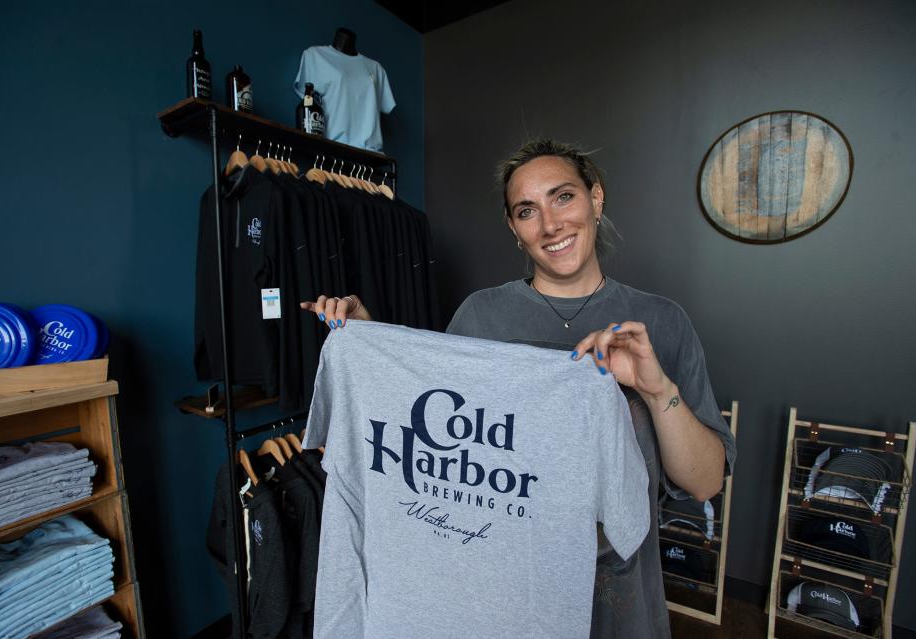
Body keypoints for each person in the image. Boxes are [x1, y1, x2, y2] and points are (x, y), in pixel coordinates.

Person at [300, 139, 737, 638]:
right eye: (528, 211)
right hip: (503, 599)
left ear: (596, 199)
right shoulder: (480, 316)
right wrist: (371, 341)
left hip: (618, 604)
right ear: (514, 227)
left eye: (563, 197)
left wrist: (657, 391)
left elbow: (705, 483)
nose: (551, 225)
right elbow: (435, 432)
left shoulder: (662, 322)